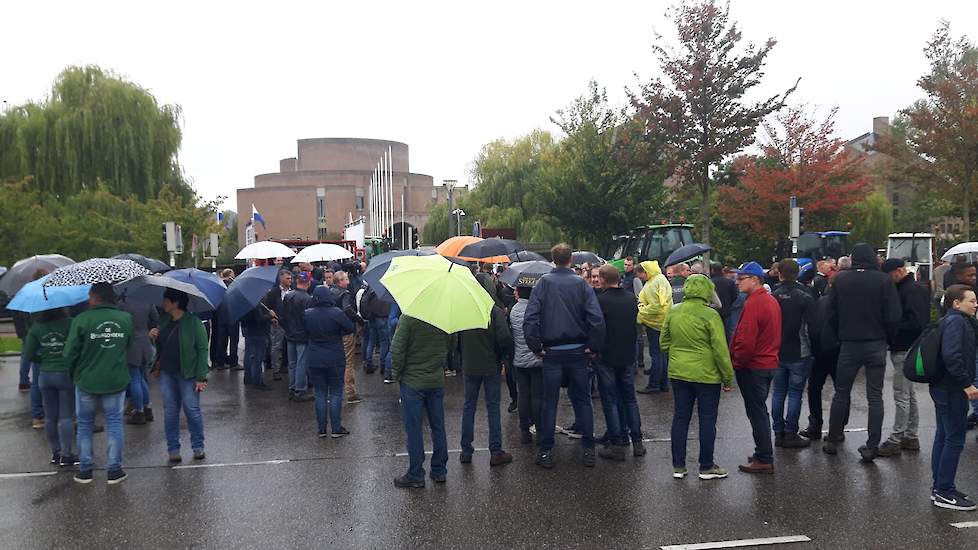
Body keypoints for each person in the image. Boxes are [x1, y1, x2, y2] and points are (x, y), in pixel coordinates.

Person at [523, 243, 605, 469]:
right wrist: (593, 346)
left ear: (553, 259)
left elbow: (530, 318)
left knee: (550, 403)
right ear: (571, 260)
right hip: (578, 350)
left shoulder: (543, 284)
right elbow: (596, 318)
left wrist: (535, 346)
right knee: (582, 400)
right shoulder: (581, 284)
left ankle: (547, 451)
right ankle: (588, 449)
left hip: (552, 352)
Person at [824, 243, 900, 462]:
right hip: (876, 342)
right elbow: (893, 315)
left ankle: (833, 438)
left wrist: (839, 334)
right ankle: (872, 445)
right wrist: (888, 338)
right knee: (875, 396)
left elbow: (831, 312)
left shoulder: (841, 279)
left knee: (841, 392)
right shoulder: (883, 280)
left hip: (849, 342)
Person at [661, 274, 734, 480]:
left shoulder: (674, 311)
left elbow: (663, 342)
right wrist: (728, 378)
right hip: (707, 375)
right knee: (707, 420)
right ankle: (706, 466)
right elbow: (720, 350)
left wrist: (676, 355)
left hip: (679, 372)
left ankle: (678, 465)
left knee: (680, 418)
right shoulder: (710, 315)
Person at [64, 282, 133, 484]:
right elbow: (128, 345)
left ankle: (85, 469)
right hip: (115, 379)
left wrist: (75, 373)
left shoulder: (81, 319)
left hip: (86, 380)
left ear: (95, 297)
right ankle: (114, 469)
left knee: (85, 424)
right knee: (114, 423)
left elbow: (70, 353)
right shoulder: (125, 319)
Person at [929, 284, 978, 510]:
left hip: (943, 387)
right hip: (951, 388)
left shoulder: (954, 320)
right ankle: (944, 490)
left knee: (944, 435)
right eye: (972, 301)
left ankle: (941, 485)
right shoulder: (956, 322)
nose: (976, 305)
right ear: (956, 303)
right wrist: (966, 384)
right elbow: (952, 356)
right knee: (954, 438)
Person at [731, 262, 781, 474]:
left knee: (757, 412)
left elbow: (746, 340)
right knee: (759, 411)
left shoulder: (755, 303)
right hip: (767, 362)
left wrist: (736, 362)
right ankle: (762, 452)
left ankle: (764, 458)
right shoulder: (769, 300)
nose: (738, 282)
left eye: (742, 278)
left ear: (755, 279)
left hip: (754, 366)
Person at [391, 314, 452, 488]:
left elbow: (397, 349)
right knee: (438, 426)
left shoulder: (409, 318)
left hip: (412, 382)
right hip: (436, 379)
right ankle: (439, 470)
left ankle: (416, 473)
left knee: (414, 428)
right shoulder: (444, 318)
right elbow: (452, 345)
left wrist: (397, 373)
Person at [877, 258, 931, 456]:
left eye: (889, 275)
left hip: (905, 347)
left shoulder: (911, 290)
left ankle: (896, 438)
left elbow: (918, 322)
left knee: (901, 394)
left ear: (899, 271)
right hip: (907, 346)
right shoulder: (910, 288)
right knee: (908, 394)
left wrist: (892, 327)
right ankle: (910, 435)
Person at [149, 289, 208, 463]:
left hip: (188, 374)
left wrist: (201, 376)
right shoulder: (164, 321)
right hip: (167, 372)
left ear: (175, 303)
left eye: (166, 300)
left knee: (192, 410)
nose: (162, 303)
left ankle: (198, 446)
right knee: (170, 412)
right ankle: (173, 449)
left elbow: (202, 350)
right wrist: (152, 336)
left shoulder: (193, 322)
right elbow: (160, 346)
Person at [593, 265, 645, 461]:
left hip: (607, 356)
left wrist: (594, 348)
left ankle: (616, 443)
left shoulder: (600, 301)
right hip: (627, 354)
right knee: (630, 399)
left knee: (610, 400)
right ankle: (637, 441)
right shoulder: (631, 298)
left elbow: (597, 328)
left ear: (604, 279)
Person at [458, 304, 514, 466]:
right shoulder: (493, 311)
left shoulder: (464, 310)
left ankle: (466, 450)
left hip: (470, 365)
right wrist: (502, 355)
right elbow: (504, 338)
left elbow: (456, 339)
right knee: (493, 408)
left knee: (469, 407)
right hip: (490, 364)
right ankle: (496, 451)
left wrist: (463, 355)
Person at [770, 259, 817, 449]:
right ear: (797, 273)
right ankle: (791, 433)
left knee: (778, 393)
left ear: (779, 273)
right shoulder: (804, 297)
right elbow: (813, 327)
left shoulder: (773, 296)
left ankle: (778, 432)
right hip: (799, 351)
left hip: (777, 351)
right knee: (795, 393)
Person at [25, 307, 76, 466]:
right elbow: (77, 346)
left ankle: (55, 452)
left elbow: (29, 353)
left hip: (45, 374)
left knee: (50, 417)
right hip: (65, 373)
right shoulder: (70, 323)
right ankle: (67, 454)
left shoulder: (37, 327)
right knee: (66, 417)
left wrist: (43, 359)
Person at [303, 286, 355, 438]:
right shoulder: (336, 313)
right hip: (335, 356)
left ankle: (321, 429)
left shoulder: (307, 314)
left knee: (319, 393)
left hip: (314, 357)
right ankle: (336, 428)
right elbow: (350, 328)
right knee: (336, 392)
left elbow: (305, 331)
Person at [800, 276, 841, 442]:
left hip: (819, 351)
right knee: (841, 391)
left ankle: (815, 424)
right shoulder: (845, 304)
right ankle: (837, 428)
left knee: (814, 388)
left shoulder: (820, 302)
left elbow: (813, 326)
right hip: (838, 351)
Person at [510, 285, 543, 444]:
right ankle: (538, 427)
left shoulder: (514, 310)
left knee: (523, 395)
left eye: (515, 290)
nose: (513, 292)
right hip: (537, 358)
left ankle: (524, 430)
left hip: (519, 359)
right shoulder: (535, 309)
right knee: (537, 396)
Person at [119, 298, 159, 425]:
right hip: (145, 341)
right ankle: (147, 408)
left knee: (135, 378)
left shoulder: (122, 303)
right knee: (141, 377)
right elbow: (156, 319)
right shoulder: (147, 300)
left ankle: (139, 411)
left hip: (130, 343)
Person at [636, 261, 673, 394]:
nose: (640, 278)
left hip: (655, 324)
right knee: (663, 355)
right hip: (664, 322)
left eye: (640, 274)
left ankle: (654, 384)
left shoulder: (652, 284)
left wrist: (641, 310)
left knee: (656, 355)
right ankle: (664, 383)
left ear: (646, 272)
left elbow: (656, 305)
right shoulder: (661, 279)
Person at [282, 271, 315, 401]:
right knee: (302, 363)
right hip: (302, 335)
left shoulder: (288, 296)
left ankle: (292, 387)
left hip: (290, 333)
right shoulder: (308, 299)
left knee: (292, 363)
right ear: (308, 282)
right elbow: (307, 318)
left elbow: (284, 316)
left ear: (297, 282)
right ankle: (300, 390)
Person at [331, 271, 363, 404]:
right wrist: (358, 319)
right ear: (340, 281)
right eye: (346, 279)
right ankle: (351, 393)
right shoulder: (345, 293)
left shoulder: (330, 292)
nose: (348, 282)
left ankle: (333, 392)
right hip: (345, 330)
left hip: (333, 331)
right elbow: (347, 309)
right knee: (348, 362)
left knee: (335, 361)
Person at [360, 285, 393, 383]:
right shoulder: (387, 290)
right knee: (384, 343)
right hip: (383, 318)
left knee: (371, 341)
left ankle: (368, 362)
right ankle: (383, 366)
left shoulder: (372, 288)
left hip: (372, 318)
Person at [240, 299, 275, 390]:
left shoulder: (246, 303)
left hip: (250, 332)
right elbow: (259, 318)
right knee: (258, 358)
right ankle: (257, 381)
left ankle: (248, 377)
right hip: (259, 334)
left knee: (249, 355)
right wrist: (270, 316)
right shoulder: (255, 304)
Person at [266, 270, 292, 381]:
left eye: (290, 278)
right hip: (278, 323)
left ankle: (285, 365)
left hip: (290, 323)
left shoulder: (292, 291)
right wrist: (272, 317)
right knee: (277, 346)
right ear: (281, 279)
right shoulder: (274, 292)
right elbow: (268, 306)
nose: (290, 280)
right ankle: (275, 369)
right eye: (287, 278)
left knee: (288, 346)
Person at [623, 257, 646, 374]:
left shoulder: (635, 279)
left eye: (629, 265)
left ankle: (639, 361)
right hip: (628, 311)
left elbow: (639, 295)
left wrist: (638, 309)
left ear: (633, 266)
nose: (626, 267)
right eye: (625, 264)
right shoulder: (625, 278)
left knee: (638, 338)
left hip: (635, 311)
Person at [710, 262, 739, 343]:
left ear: (712, 270)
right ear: (722, 270)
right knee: (727, 334)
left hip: (713, 312)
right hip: (727, 312)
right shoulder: (729, 282)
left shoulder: (709, 282)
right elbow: (735, 296)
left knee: (714, 335)